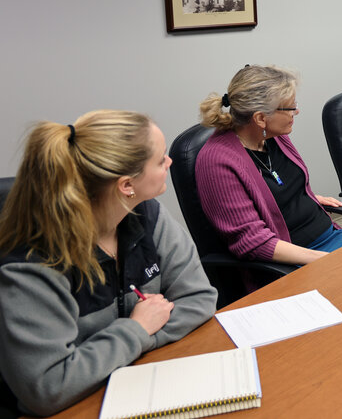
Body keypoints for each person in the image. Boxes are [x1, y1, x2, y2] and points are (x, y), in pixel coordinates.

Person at [0, 111, 217, 416]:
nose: (170, 163)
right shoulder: (36, 262)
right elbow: (49, 387)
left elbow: (199, 299)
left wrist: (120, 349)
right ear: (126, 185)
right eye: (159, 160)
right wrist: (136, 329)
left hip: (132, 384)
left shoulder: (148, 216)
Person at [196, 65, 342, 268]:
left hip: (332, 237)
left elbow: (275, 187)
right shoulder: (217, 162)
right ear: (260, 118)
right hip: (294, 263)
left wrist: (306, 197)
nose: (297, 111)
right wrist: (327, 260)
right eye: (290, 107)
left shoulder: (274, 137)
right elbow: (253, 242)